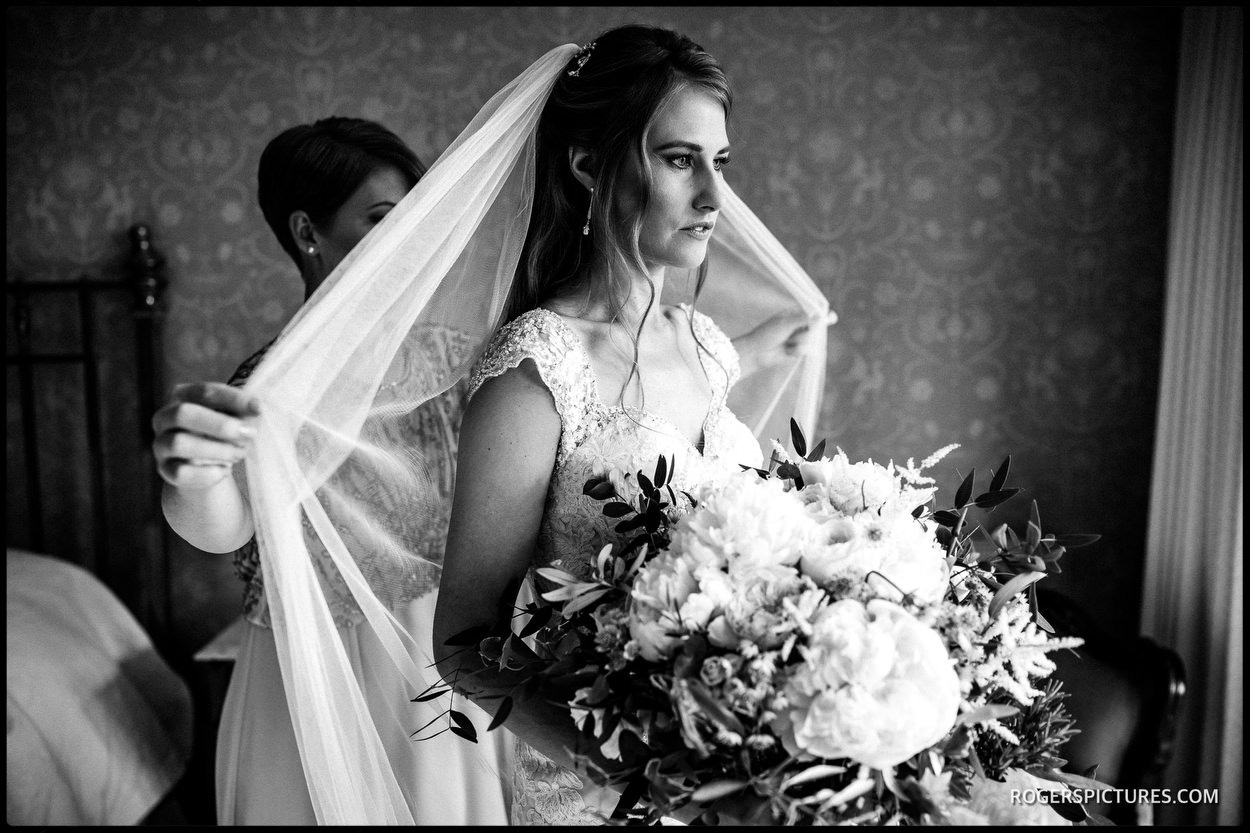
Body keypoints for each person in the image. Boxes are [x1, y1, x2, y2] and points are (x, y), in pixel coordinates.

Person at [429, 26, 832, 824]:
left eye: (721, 163)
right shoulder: (535, 373)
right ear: (587, 165)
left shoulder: (707, 346)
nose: (715, 198)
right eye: (680, 159)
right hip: (599, 801)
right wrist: (639, 768)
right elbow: (466, 641)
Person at [150, 117, 512, 825]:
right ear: (307, 232)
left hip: (445, 665)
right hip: (320, 681)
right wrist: (194, 477)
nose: (410, 242)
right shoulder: (268, 384)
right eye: (382, 219)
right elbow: (227, 527)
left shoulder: (459, 361)